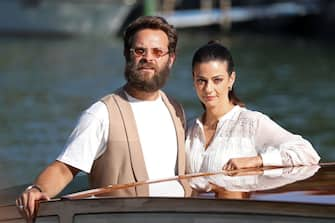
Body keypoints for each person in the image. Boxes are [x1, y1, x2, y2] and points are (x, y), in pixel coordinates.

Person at [17, 16, 188, 221]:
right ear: (128, 55)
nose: (148, 58)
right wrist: (37, 189)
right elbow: (64, 168)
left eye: (157, 52)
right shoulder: (101, 114)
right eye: (140, 51)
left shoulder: (176, 110)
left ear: (171, 59)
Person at [185, 40, 320, 174]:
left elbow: (308, 153)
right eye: (201, 80)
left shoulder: (251, 123)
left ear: (231, 79)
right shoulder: (188, 129)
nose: (208, 89)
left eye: (217, 80)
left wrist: (257, 160)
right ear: (193, 80)